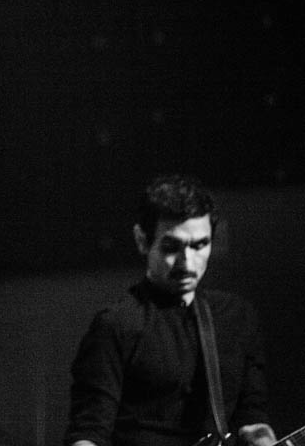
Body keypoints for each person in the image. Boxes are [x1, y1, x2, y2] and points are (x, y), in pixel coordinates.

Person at [64, 175, 276, 446]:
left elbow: (252, 415)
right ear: (142, 240)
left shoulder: (236, 316)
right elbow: (88, 432)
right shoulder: (116, 326)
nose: (187, 263)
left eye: (200, 245)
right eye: (171, 247)